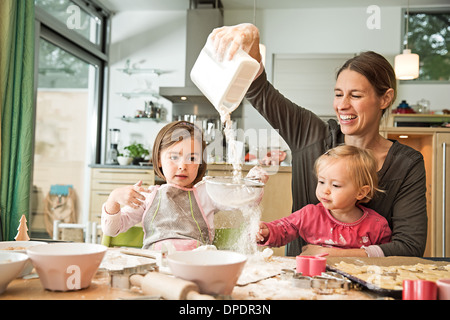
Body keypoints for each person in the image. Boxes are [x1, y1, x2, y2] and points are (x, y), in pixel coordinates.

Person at [210, 23, 427, 257]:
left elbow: (409, 247)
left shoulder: (407, 164)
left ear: (385, 99)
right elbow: (259, 91)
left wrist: (330, 254)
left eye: (355, 95)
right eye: (338, 94)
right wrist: (250, 46)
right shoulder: (310, 133)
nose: (342, 105)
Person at [101, 121, 267, 251]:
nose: (182, 166)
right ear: (159, 160)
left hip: (196, 267)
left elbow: (245, 200)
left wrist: (255, 180)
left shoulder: (207, 193)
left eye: (192, 158)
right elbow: (112, 229)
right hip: (156, 268)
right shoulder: (148, 196)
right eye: (174, 157)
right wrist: (114, 199)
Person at [257, 145, 392, 254]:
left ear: (361, 192)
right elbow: (284, 228)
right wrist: (267, 231)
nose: (325, 190)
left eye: (335, 185)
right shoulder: (310, 214)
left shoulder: (377, 225)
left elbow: (387, 259)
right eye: (321, 182)